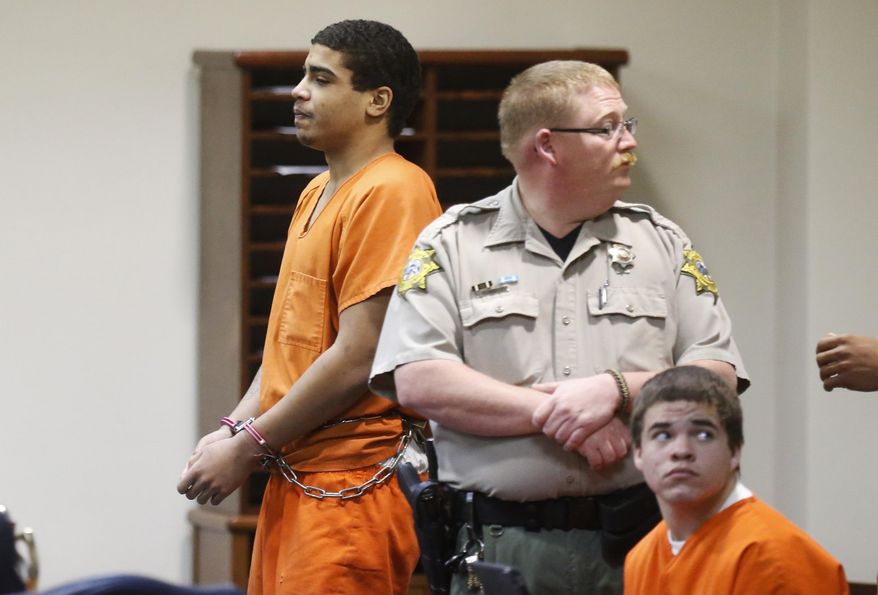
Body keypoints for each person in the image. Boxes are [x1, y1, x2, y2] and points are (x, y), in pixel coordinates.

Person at [370, 60, 748, 595]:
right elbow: (419, 379)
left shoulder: (660, 242)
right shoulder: (452, 243)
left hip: (644, 545)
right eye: (608, 127)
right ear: (547, 145)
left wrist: (612, 390)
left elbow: (717, 375)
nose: (628, 142)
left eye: (627, 125)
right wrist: (566, 415)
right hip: (501, 546)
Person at [177, 20, 441, 595]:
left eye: (320, 79)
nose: (299, 91)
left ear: (378, 101)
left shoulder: (395, 189)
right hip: (295, 471)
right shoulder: (315, 192)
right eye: (303, 76)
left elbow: (358, 355)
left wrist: (246, 448)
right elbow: (287, 348)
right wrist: (232, 429)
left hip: (352, 486)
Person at [625, 366, 848, 594]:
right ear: (639, 453)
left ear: (734, 451)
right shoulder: (639, 559)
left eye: (703, 434)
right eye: (663, 435)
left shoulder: (775, 559)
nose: (681, 450)